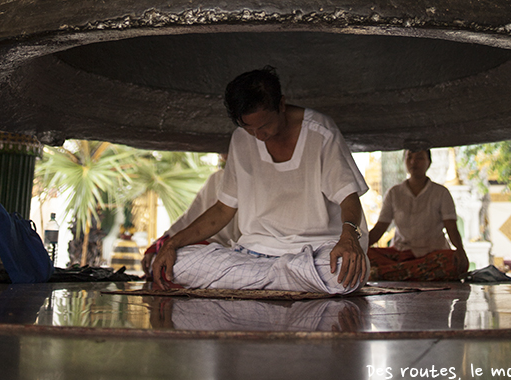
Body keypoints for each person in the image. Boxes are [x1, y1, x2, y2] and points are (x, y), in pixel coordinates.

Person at [150, 66, 370, 294]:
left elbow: (349, 198)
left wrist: (349, 237)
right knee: (180, 263)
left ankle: (256, 281)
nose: (259, 135)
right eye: (249, 128)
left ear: (281, 105)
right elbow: (222, 210)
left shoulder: (321, 132)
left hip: (315, 252)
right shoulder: (240, 140)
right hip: (254, 254)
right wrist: (172, 243)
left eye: (264, 125)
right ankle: (285, 278)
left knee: (341, 272)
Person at [367, 149, 469, 281]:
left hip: (432, 255)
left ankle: (390, 273)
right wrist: (357, 247)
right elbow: (380, 228)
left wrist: (460, 249)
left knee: (450, 260)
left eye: (419, 158)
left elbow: (451, 227)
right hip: (401, 253)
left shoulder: (441, 193)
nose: (413, 162)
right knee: (366, 255)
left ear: (429, 162)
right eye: (409, 157)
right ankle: (404, 272)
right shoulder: (394, 193)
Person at [141, 167, 239, 277]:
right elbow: (189, 220)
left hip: (244, 256)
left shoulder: (249, 175)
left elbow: (222, 212)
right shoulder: (216, 178)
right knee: (167, 262)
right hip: (210, 252)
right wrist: (160, 246)